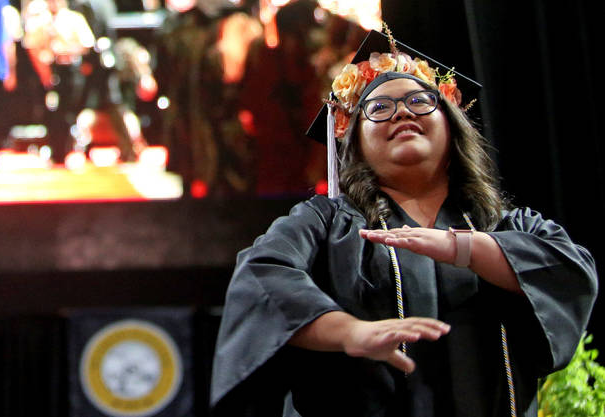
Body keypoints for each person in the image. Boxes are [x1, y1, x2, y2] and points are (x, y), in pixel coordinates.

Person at [210, 28, 597, 416]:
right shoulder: (323, 225)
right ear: (355, 139)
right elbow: (263, 276)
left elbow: (569, 270)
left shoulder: (504, 225)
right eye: (379, 108)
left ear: (451, 125)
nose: (403, 112)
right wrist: (350, 332)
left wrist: (463, 247)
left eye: (420, 100)